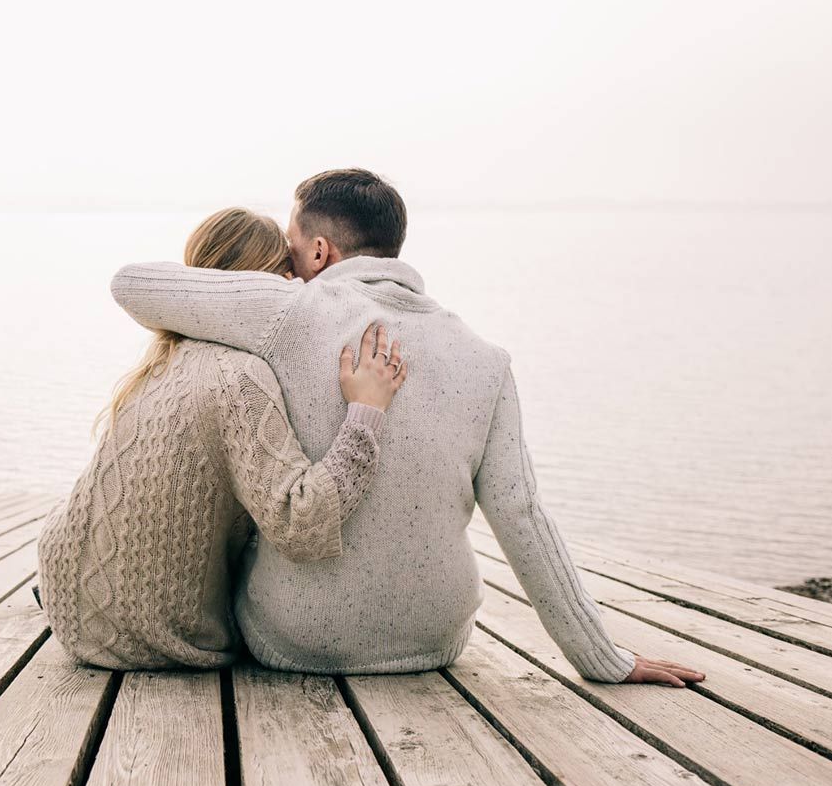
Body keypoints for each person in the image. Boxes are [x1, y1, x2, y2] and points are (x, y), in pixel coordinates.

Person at [109, 169, 706, 687]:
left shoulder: (288, 313)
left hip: (294, 643)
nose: (286, 272)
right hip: (435, 643)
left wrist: (261, 290)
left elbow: (131, 284)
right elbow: (522, 516)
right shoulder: (486, 359)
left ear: (318, 252)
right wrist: (605, 658)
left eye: (291, 255)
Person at [36, 207, 408, 669]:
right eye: (286, 276)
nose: (297, 289)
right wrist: (365, 413)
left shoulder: (161, 359)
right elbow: (300, 525)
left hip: (66, 598)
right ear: (260, 285)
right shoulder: (241, 377)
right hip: (147, 635)